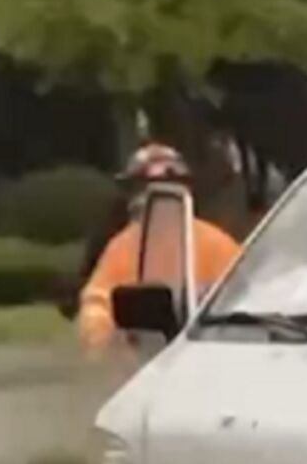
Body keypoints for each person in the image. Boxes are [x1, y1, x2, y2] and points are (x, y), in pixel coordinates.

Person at [77, 143, 242, 355]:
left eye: (167, 184)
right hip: (142, 359)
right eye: (142, 187)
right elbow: (98, 301)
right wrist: (103, 336)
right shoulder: (122, 246)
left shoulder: (215, 243)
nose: (149, 198)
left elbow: (245, 297)